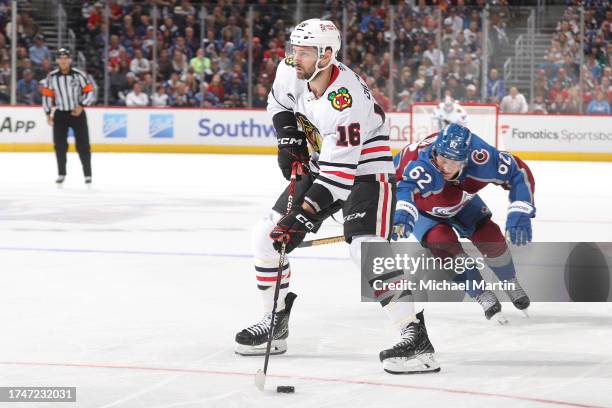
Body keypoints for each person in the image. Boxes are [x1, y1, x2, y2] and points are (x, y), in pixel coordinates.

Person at [234, 19, 440, 375]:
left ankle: (415, 336)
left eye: (304, 51)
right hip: (322, 163)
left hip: (365, 170)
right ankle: (275, 321)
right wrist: (288, 136)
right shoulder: (291, 71)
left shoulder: (345, 100)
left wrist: (303, 215)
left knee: (366, 247)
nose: (293, 57)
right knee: (264, 237)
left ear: (326, 55)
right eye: (293, 49)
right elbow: (277, 102)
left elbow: (339, 178)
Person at [392, 124, 534, 322]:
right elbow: (401, 187)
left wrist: (521, 207)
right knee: (446, 250)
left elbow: (518, 172)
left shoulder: (484, 159)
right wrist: (403, 211)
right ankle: (481, 294)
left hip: (460, 200)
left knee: (491, 237)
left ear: (466, 159)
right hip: (424, 209)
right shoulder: (419, 163)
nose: (444, 167)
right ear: (435, 151)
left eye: (453, 162)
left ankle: (509, 279)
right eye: (442, 158)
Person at [42, 48, 95, 185]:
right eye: (61, 58)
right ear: (57, 61)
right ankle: (61, 173)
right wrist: (48, 113)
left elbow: (89, 91)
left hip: (77, 113)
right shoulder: (52, 77)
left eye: (66, 58)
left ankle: (87, 175)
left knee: (83, 145)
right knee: (59, 145)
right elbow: (47, 95)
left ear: (70, 60)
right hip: (60, 114)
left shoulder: (79, 75)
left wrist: (82, 105)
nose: (64, 60)